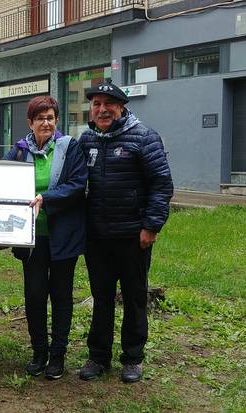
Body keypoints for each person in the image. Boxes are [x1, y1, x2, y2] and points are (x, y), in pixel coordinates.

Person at [0, 96, 87, 380]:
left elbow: (77, 184)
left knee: (61, 297)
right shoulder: (20, 151)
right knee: (34, 297)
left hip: (63, 238)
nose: (46, 122)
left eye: (50, 117)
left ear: (57, 121)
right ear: (30, 122)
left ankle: (57, 355)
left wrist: (46, 198)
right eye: (40, 118)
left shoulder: (70, 148)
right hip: (31, 240)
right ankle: (38, 352)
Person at [77, 82, 173, 384]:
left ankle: (132, 358)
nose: (102, 109)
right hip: (97, 238)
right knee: (101, 298)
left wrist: (151, 226)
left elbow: (161, 184)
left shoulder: (144, 137)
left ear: (122, 107)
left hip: (133, 236)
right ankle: (98, 357)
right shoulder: (87, 139)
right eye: (96, 104)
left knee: (134, 299)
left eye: (109, 104)